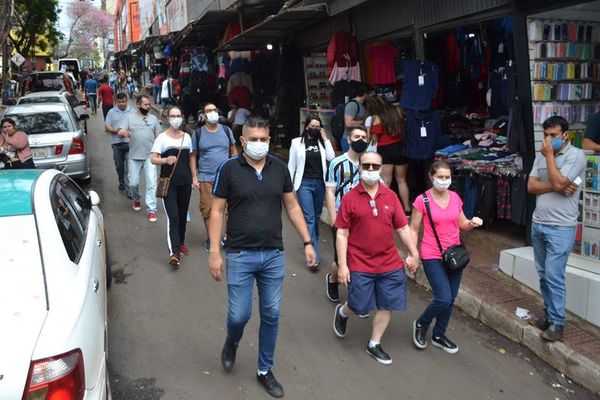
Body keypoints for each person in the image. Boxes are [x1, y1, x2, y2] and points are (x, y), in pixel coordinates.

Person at [208, 116, 316, 398]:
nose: (259, 144)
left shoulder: (279, 169)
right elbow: (217, 211)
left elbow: (292, 207)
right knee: (239, 315)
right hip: (240, 254)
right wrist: (214, 253)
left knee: (271, 313)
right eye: (253, 139)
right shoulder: (228, 169)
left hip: (273, 255)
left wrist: (307, 241)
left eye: (263, 139)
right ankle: (232, 341)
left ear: (270, 139)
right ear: (242, 141)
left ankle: (264, 370)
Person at [332, 151, 419, 364]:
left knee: (386, 303)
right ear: (359, 168)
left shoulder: (390, 196)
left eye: (375, 166)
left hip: (389, 262)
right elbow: (342, 233)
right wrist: (343, 266)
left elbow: (403, 228)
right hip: (360, 262)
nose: (371, 170)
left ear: (381, 169)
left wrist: (414, 252)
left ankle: (374, 343)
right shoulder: (350, 198)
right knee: (359, 305)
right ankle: (343, 312)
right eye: (367, 166)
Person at [409, 160, 482, 354]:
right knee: (443, 298)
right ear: (431, 177)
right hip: (432, 254)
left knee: (450, 299)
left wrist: (472, 223)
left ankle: (439, 335)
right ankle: (421, 323)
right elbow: (413, 229)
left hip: (455, 255)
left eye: (447, 177)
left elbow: (462, 224)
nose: (444, 181)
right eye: (440, 177)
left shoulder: (456, 198)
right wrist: (413, 254)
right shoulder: (422, 200)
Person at [527, 116, 586, 342]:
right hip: (539, 222)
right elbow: (532, 186)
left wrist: (551, 158)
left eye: (553, 135)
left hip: (561, 226)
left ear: (565, 135)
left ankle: (558, 323)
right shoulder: (540, 156)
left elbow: (563, 184)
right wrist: (557, 185)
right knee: (543, 275)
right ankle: (548, 315)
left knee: (554, 275)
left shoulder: (576, 155)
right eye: (545, 135)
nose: (548, 140)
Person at [325, 127, 370, 302]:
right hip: (342, 219)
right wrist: (333, 217)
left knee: (359, 258)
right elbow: (330, 191)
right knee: (339, 260)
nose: (361, 140)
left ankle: (357, 298)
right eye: (357, 136)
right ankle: (332, 279)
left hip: (362, 220)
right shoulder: (337, 163)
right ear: (349, 140)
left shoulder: (370, 164)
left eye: (364, 137)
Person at [288, 115, 335, 270]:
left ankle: (310, 242)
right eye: (312, 126)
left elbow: (331, 157)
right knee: (309, 218)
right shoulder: (296, 143)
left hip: (320, 184)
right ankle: (313, 255)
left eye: (317, 126)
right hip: (304, 184)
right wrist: (289, 187)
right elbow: (292, 166)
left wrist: (325, 138)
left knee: (315, 217)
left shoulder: (322, 143)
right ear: (306, 126)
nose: (314, 129)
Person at [190, 103, 238, 251]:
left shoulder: (226, 130)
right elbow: (193, 156)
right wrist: (194, 177)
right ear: (203, 115)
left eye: (214, 110)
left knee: (231, 210)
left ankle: (228, 237)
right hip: (206, 177)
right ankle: (212, 239)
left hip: (227, 177)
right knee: (208, 209)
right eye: (208, 111)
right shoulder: (197, 134)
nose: (212, 113)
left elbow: (234, 151)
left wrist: (237, 171)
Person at [150, 106, 193, 267]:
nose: (176, 118)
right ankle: (174, 252)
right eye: (173, 116)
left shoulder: (187, 137)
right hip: (169, 183)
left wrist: (194, 177)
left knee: (182, 216)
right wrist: (165, 160)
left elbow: (191, 158)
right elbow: (153, 159)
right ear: (168, 118)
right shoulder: (162, 137)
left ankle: (181, 242)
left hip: (185, 182)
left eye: (178, 115)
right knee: (173, 217)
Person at [117, 95, 162, 222]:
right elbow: (120, 131)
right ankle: (136, 199)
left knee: (152, 184)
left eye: (149, 104)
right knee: (133, 183)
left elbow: (159, 136)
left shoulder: (153, 119)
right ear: (138, 104)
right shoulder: (129, 118)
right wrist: (124, 133)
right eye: (145, 104)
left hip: (150, 156)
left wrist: (159, 153)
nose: (148, 107)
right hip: (134, 157)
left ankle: (152, 210)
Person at [365, 96, 411, 214]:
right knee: (402, 180)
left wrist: (369, 131)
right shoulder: (398, 111)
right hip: (401, 148)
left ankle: (384, 208)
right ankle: (407, 208)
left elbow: (374, 139)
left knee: (386, 181)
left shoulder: (376, 118)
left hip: (385, 150)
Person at [105, 93, 134, 193]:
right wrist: (118, 131)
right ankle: (121, 181)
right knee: (119, 166)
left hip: (130, 143)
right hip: (116, 143)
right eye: (119, 102)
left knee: (130, 167)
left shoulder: (133, 112)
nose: (121, 104)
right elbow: (107, 126)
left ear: (127, 101)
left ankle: (129, 189)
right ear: (116, 101)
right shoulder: (111, 112)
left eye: (123, 101)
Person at [342, 83, 369, 152]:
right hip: (349, 140)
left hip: (357, 138)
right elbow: (348, 123)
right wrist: (366, 122)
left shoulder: (362, 105)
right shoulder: (353, 105)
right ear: (365, 94)